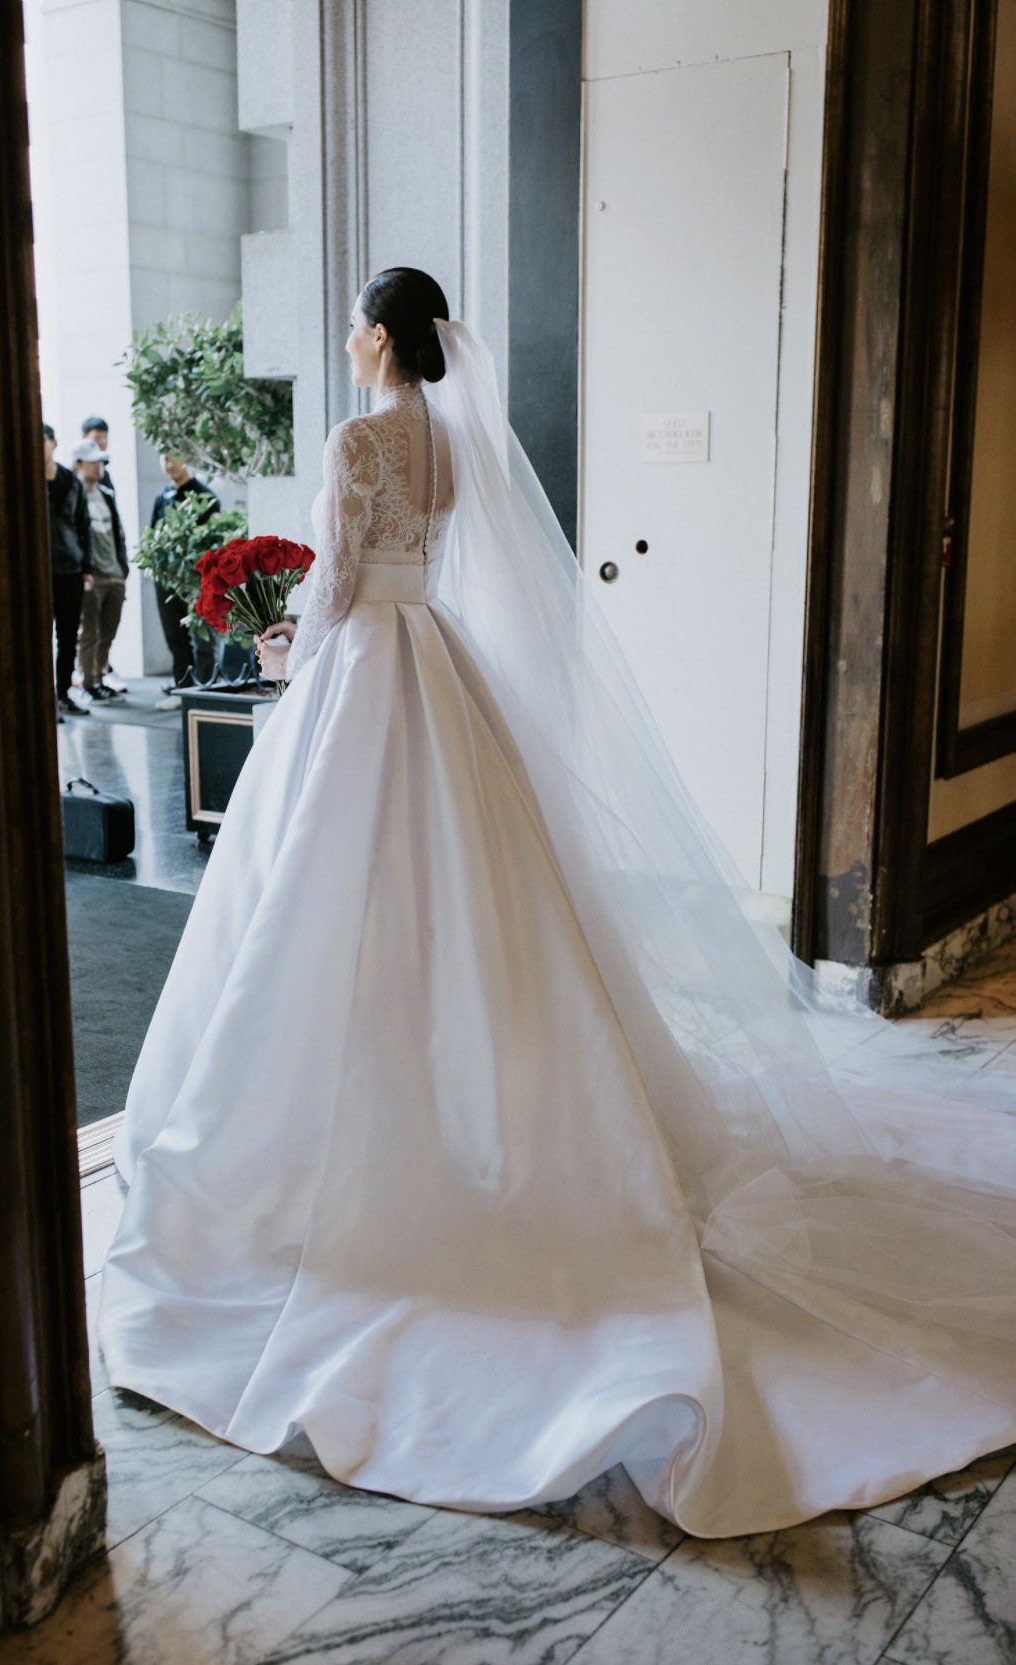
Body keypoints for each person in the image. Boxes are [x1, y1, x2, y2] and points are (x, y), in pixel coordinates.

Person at [99, 268, 1016, 1539]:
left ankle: (329, 1154)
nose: (351, 342)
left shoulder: (360, 439)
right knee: (477, 904)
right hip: (434, 665)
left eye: (357, 327)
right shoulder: (448, 443)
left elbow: (344, 582)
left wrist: (287, 652)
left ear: (379, 336)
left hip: (363, 671)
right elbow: (421, 562)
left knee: (329, 899)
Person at [149, 454, 218, 711]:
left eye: (174, 458)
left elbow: (213, 540)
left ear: (186, 459)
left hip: (196, 579)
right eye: (164, 458)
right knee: (175, 637)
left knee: (203, 639)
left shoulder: (204, 495)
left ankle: (207, 691)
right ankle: (183, 689)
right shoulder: (162, 497)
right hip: (167, 578)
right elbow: (153, 537)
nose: (169, 465)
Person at [73, 438, 128, 703]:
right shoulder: (74, 496)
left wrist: (122, 567)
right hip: (91, 575)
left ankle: (99, 677)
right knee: (89, 632)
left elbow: (118, 533)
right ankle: (87, 682)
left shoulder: (106, 495)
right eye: (92, 462)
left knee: (108, 632)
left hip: (113, 572)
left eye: (100, 462)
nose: (98, 467)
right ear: (78, 464)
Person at [43, 423, 91, 718]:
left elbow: (83, 525)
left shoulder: (71, 481)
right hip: (42, 572)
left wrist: (87, 568)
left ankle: (63, 694)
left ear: (54, 443)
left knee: (68, 636)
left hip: (71, 570)